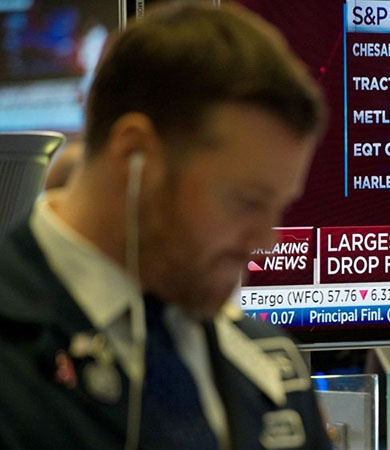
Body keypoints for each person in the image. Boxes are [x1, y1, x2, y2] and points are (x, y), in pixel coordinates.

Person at [0, 3, 332, 450]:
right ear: (134, 154)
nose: (264, 242)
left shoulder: (269, 365)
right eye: (246, 201)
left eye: (279, 208)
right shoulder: (14, 352)